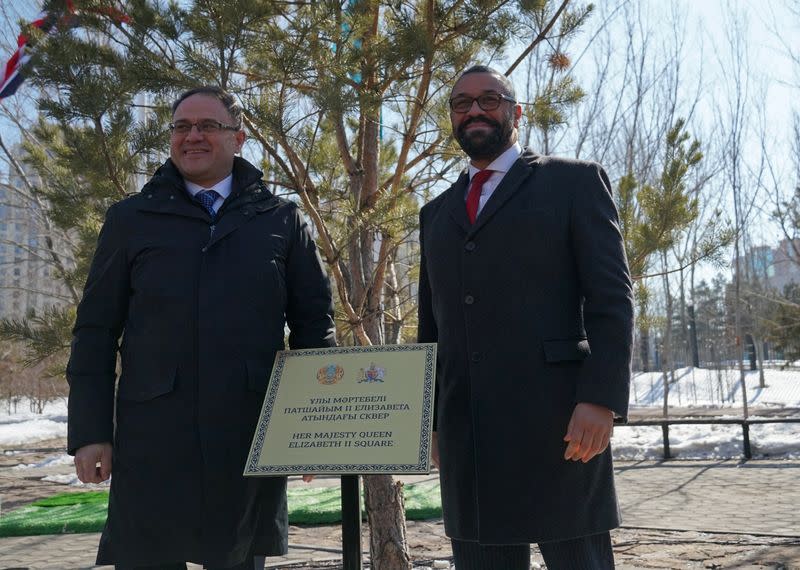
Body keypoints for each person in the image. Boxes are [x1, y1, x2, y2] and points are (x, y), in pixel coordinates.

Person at [67, 86, 336, 570]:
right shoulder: (131, 219)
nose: (192, 136)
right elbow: (95, 331)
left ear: (239, 138)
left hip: (247, 436)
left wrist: (313, 430)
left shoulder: (280, 219)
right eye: (181, 127)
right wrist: (90, 432)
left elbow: (315, 327)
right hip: (153, 440)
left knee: (237, 557)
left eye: (208, 126)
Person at [417, 65, 634, 569]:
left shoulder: (573, 183)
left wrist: (600, 398)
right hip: (467, 433)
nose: (474, 110)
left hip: (560, 426)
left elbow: (611, 299)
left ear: (516, 112)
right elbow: (432, 325)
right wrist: (430, 422)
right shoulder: (435, 213)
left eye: (489, 99)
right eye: (461, 102)